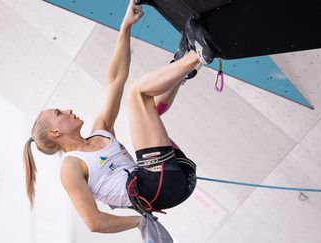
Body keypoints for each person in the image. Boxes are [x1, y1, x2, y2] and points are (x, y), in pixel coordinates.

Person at [22, 0, 214, 239]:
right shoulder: (70, 167)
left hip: (176, 175)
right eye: (59, 114)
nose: (68, 110)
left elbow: (116, 78)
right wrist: (140, 221)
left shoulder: (101, 131)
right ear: (54, 134)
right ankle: (196, 56)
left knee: (147, 109)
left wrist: (125, 27)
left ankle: (183, 66)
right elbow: (93, 221)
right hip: (154, 187)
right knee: (137, 94)